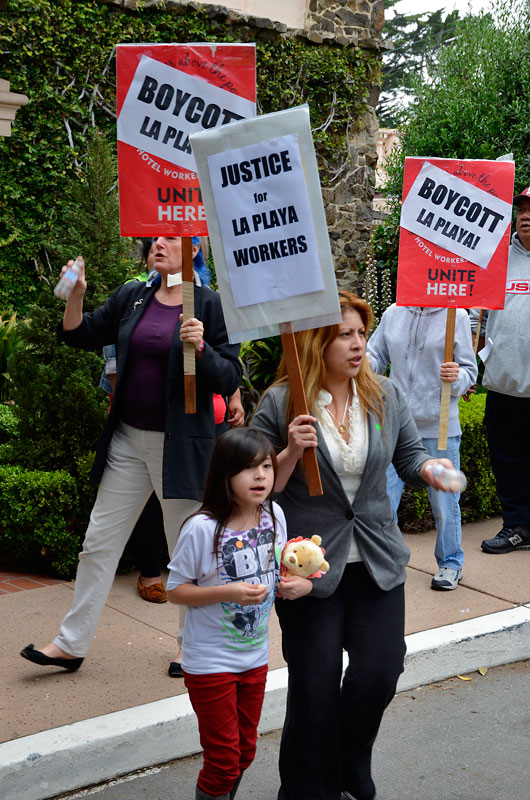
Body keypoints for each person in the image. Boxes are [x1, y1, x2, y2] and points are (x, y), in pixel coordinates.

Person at [251, 291, 458, 800]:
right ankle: (304, 787)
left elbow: (409, 455)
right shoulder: (283, 401)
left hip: (376, 559)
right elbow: (252, 483)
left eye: (361, 333)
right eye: (345, 334)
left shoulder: (383, 395)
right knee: (315, 682)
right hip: (309, 567)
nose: (357, 343)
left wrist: (433, 469)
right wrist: (287, 453)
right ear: (318, 341)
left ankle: (348, 760)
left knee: (380, 671)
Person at [20, 235, 241, 673]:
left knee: (186, 550)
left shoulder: (209, 304)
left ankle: (190, 645)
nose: (157, 242)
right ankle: (70, 644)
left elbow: (230, 374)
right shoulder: (133, 294)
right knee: (98, 543)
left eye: (169, 237)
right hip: (126, 441)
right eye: (154, 237)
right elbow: (80, 334)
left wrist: (201, 347)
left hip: (178, 447)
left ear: (193, 249)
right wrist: (76, 297)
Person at [167, 428, 310, 800]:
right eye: (248, 468)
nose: (261, 475)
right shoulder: (201, 528)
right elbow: (174, 591)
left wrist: (300, 584)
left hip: (254, 657)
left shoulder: (275, 516)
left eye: (266, 465)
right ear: (225, 476)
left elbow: (284, 568)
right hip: (209, 662)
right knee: (224, 759)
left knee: (244, 751)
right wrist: (228, 592)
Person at [366, 304, 477, 590]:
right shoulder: (393, 313)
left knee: (443, 503)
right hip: (395, 424)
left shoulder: (458, 315)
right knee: (383, 498)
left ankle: (451, 564)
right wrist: (362, 364)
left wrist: (457, 378)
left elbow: (469, 371)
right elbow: (375, 354)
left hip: (439, 426)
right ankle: (385, 561)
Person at [470, 187, 530, 555]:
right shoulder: (498, 261)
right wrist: (470, 367)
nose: (526, 216)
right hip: (505, 388)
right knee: (508, 462)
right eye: (521, 210)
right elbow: (478, 318)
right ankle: (517, 526)